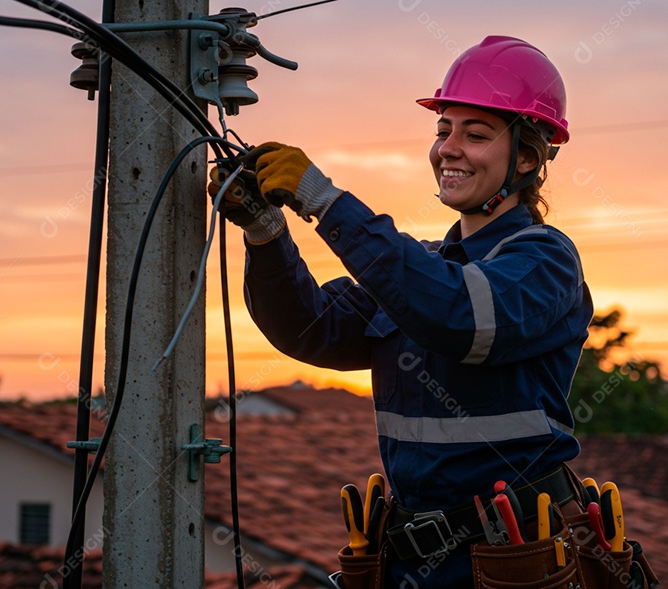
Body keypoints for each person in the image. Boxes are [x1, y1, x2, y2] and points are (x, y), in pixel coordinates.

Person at [212, 36, 593, 588]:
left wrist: (323, 198)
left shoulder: (545, 261)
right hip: (408, 564)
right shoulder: (420, 269)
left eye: (477, 134)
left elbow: (460, 317)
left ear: (529, 157)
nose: (449, 149)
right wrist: (266, 233)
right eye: (443, 131)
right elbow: (311, 329)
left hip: (515, 564)